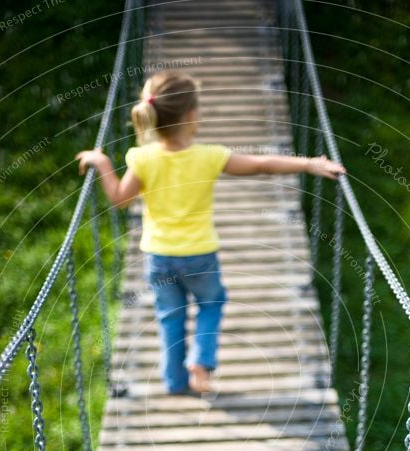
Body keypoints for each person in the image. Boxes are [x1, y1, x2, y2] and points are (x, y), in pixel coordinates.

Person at [76, 70, 346, 395]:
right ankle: (201, 363)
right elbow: (261, 165)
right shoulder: (209, 156)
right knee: (211, 304)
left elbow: (120, 199)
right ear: (192, 115)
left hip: (159, 256)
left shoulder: (142, 157)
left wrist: (103, 163)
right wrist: (308, 164)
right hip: (199, 255)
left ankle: (174, 382)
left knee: (169, 317)